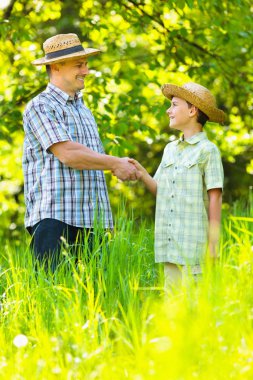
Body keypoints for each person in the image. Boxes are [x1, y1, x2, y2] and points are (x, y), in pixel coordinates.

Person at [23, 33, 138, 271]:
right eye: (79, 65)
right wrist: (115, 163)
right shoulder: (41, 106)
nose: (86, 71)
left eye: (85, 64)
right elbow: (68, 154)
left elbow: (90, 160)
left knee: (99, 298)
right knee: (54, 297)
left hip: (94, 221)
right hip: (55, 219)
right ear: (55, 66)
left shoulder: (84, 109)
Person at [130, 82, 225, 289]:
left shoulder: (208, 151)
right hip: (169, 248)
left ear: (192, 110)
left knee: (196, 312)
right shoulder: (170, 149)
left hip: (195, 250)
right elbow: (161, 192)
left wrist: (213, 245)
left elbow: (215, 199)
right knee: (173, 313)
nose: (168, 110)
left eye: (174, 105)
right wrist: (141, 173)